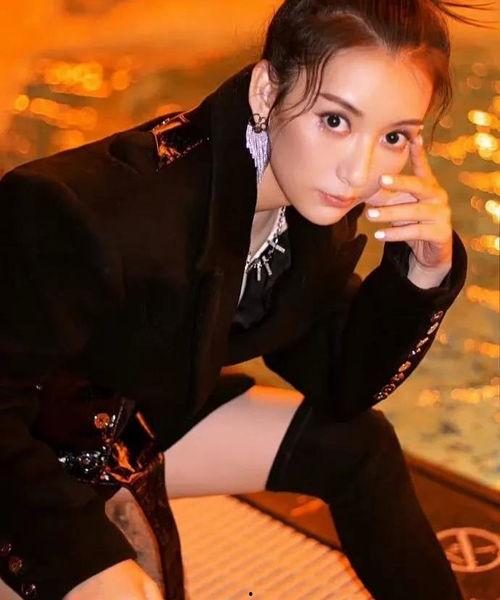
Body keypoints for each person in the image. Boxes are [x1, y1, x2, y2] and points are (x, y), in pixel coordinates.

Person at [0, 0, 494, 598]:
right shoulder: (85, 211)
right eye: (335, 120)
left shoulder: (306, 198)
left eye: (393, 136)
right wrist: (85, 558)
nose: (359, 172)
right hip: (26, 459)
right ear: (266, 91)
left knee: (359, 448)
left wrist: (424, 272)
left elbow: (342, 384)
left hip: (139, 422)